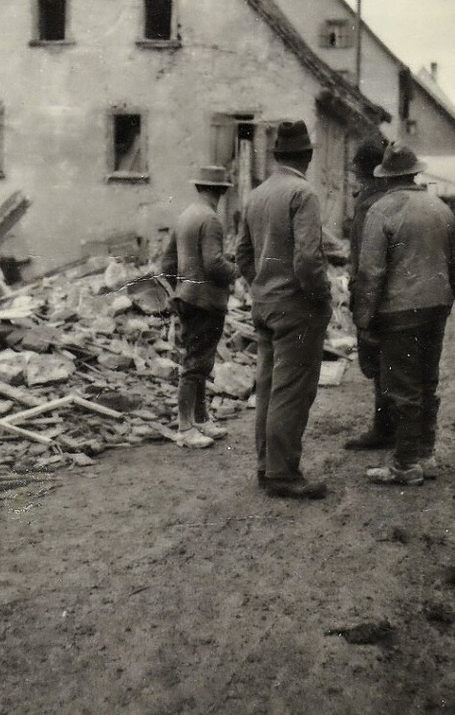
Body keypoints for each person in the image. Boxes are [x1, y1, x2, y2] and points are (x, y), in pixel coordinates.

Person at [352, 141, 455, 485]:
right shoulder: (440, 209)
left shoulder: (382, 210)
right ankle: (425, 454)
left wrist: (364, 319)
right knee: (427, 382)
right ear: (415, 173)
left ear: (386, 176)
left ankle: (405, 463)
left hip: (399, 312)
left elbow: (371, 273)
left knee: (402, 387)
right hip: (436, 308)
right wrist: (444, 300)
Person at [236, 120, 332, 499]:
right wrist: (321, 297)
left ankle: (266, 466)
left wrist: (262, 284)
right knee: (291, 391)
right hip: (296, 309)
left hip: (265, 307)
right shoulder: (302, 193)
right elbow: (309, 260)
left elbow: (242, 253)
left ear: (278, 156)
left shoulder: (256, 194)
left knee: (269, 388)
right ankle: (282, 473)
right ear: (307, 156)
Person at [162, 165, 236, 448]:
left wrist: (178, 288)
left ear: (199, 187)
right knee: (195, 364)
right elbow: (215, 264)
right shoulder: (212, 219)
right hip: (206, 301)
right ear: (220, 191)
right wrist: (236, 271)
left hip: (187, 298)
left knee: (200, 360)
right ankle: (184, 426)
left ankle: (201, 418)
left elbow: (167, 263)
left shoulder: (185, 216)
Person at [345, 139, 393, 451]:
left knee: (376, 364)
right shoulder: (396, 198)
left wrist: (359, 303)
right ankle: (398, 428)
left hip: (373, 292)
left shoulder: (367, 205)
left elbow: (364, 261)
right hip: (400, 294)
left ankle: (384, 429)